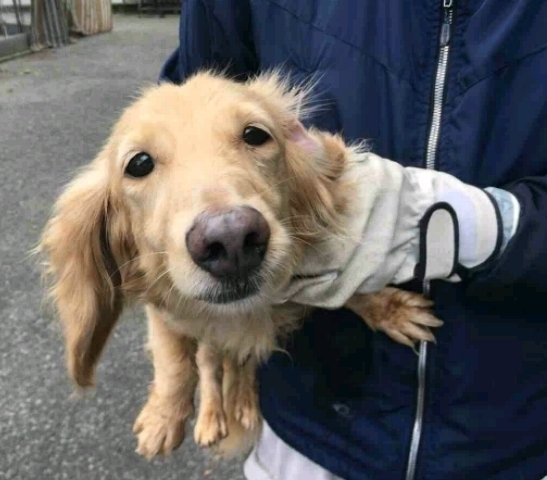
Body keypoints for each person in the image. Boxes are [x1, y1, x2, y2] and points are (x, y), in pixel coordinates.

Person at [158, 1, 547, 479]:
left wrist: (479, 225)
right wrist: (174, 383)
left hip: (522, 437)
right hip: (308, 429)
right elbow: (178, 123)